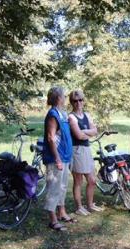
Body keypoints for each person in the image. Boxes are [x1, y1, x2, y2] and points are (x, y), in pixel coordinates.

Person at [43, 86, 74, 231]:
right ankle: (52, 219)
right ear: (58, 98)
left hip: (65, 156)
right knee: (54, 188)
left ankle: (62, 212)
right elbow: (51, 137)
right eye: (64, 96)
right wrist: (57, 159)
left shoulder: (62, 113)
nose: (65, 98)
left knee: (62, 187)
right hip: (56, 158)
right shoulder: (53, 114)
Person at [68, 90, 103, 215]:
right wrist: (88, 132)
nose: (78, 103)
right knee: (78, 180)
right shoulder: (71, 117)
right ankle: (79, 207)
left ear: (83, 100)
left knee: (92, 180)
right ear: (71, 102)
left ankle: (90, 204)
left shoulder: (87, 115)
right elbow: (78, 136)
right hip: (76, 150)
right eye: (75, 101)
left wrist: (85, 131)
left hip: (86, 149)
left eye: (80, 100)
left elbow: (95, 131)